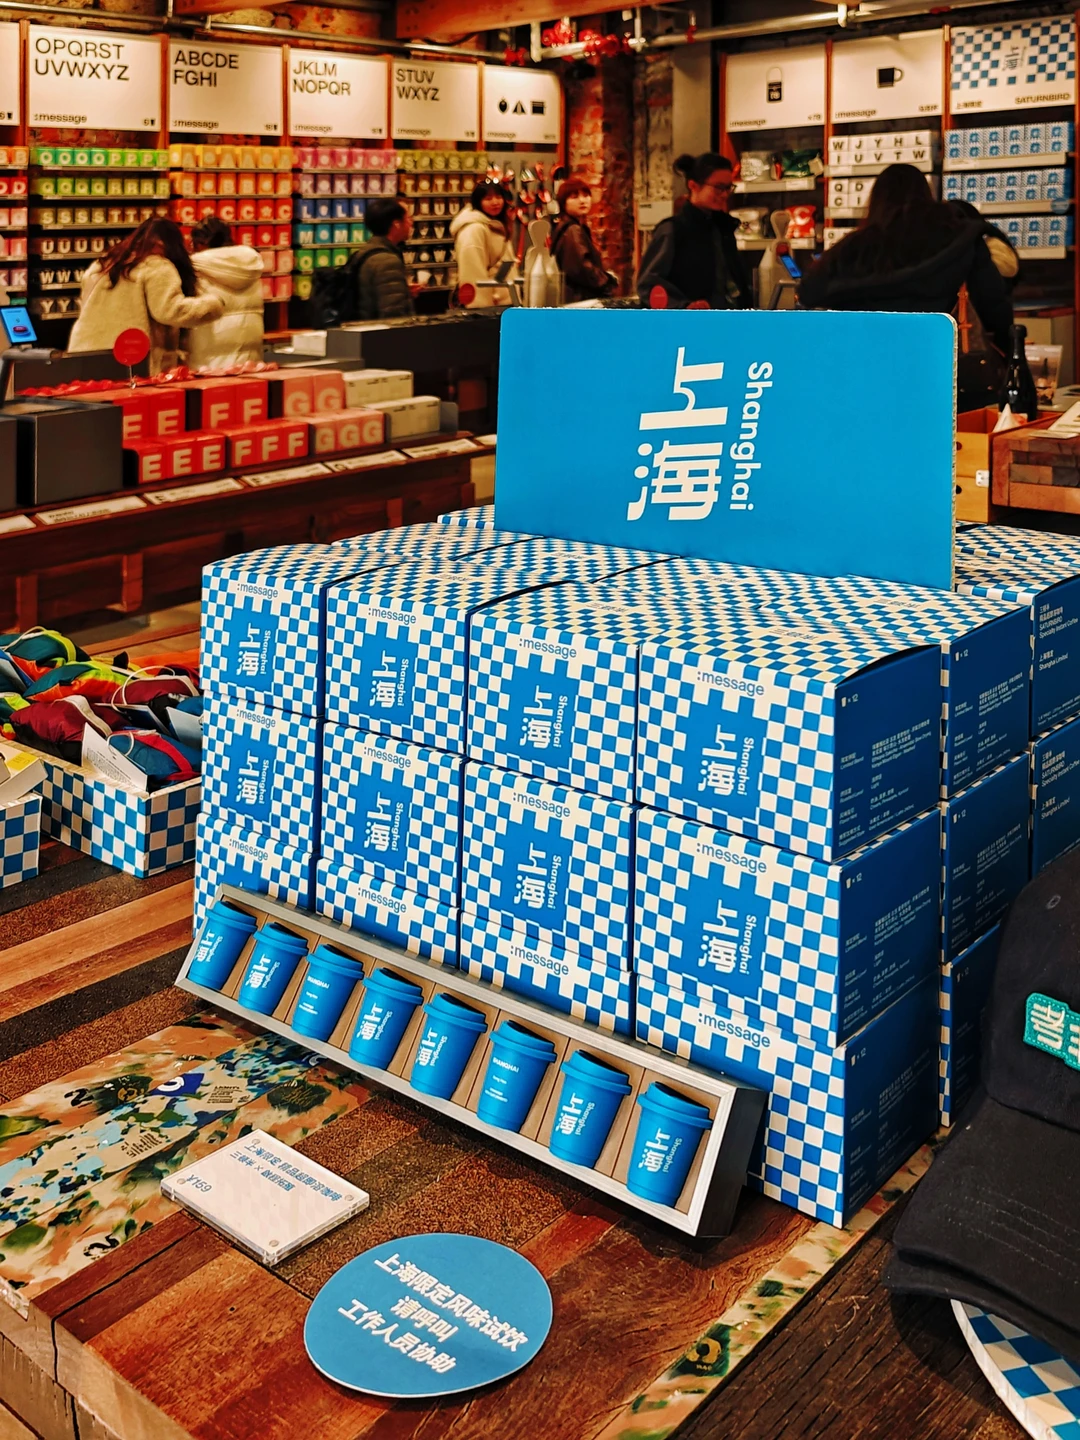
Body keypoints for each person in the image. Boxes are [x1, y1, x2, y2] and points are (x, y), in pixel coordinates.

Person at [798, 163, 1014, 353]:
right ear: (927, 196)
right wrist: (1008, 351)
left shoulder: (852, 249)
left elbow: (809, 293)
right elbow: (993, 306)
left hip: (867, 361)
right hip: (942, 362)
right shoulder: (960, 238)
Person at [68, 217, 223, 374]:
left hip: (84, 356)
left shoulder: (101, 265)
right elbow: (171, 311)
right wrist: (214, 304)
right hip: (130, 359)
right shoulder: (156, 266)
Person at [636, 152, 752, 310]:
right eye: (719, 188)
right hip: (689, 322)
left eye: (728, 188)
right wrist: (683, 306)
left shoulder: (723, 227)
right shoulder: (672, 230)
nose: (725, 194)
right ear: (693, 186)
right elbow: (648, 284)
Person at [185, 216, 264, 370]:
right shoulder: (250, 264)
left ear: (200, 243)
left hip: (208, 360)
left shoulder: (195, 267)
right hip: (250, 356)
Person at [451, 180, 517, 307]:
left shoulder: (496, 224)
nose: (495, 202)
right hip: (491, 307)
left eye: (498, 197)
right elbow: (473, 273)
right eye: (488, 198)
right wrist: (480, 310)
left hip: (504, 303)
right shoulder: (474, 229)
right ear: (478, 201)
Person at [551, 177, 616, 304]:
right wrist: (606, 282)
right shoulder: (572, 230)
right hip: (579, 300)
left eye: (586, 195)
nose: (582, 201)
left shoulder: (573, 227)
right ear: (563, 203)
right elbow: (582, 267)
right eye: (574, 197)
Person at [350, 198, 415, 321]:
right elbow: (394, 315)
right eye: (408, 219)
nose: (411, 223)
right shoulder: (388, 261)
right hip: (379, 330)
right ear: (396, 224)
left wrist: (404, 291)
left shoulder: (364, 252)